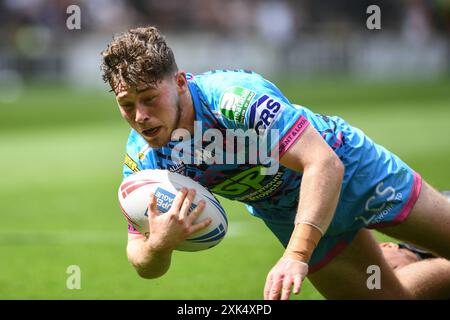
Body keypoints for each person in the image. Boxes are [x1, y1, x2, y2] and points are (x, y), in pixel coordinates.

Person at [100, 26, 450, 299]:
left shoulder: (234, 99)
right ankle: (410, 255)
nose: (140, 116)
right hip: (286, 212)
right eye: (127, 104)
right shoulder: (145, 160)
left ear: (178, 83)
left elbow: (323, 164)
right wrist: (160, 244)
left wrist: (296, 255)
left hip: (353, 171)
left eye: (149, 99)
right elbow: (141, 261)